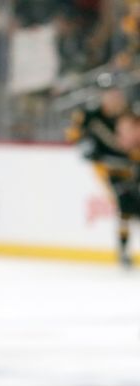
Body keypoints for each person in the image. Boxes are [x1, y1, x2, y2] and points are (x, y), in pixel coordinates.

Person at [68, 82, 135, 266]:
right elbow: (73, 135)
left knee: (130, 208)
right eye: (110, 95)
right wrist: (86, 146)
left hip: (131, 168)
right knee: (126, 206)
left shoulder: (128, 114)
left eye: (117, 95)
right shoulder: (92, 116)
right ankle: (123, 251)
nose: (115, 99)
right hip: (108, 169)